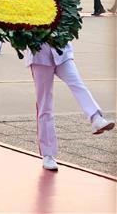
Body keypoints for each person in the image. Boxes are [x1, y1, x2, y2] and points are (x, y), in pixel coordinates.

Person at [27, 42, 114, 171]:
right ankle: (48, 154)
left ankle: (96, 118)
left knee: (77, 83)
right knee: (45, 104)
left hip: (62, 51)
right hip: (39, 55)